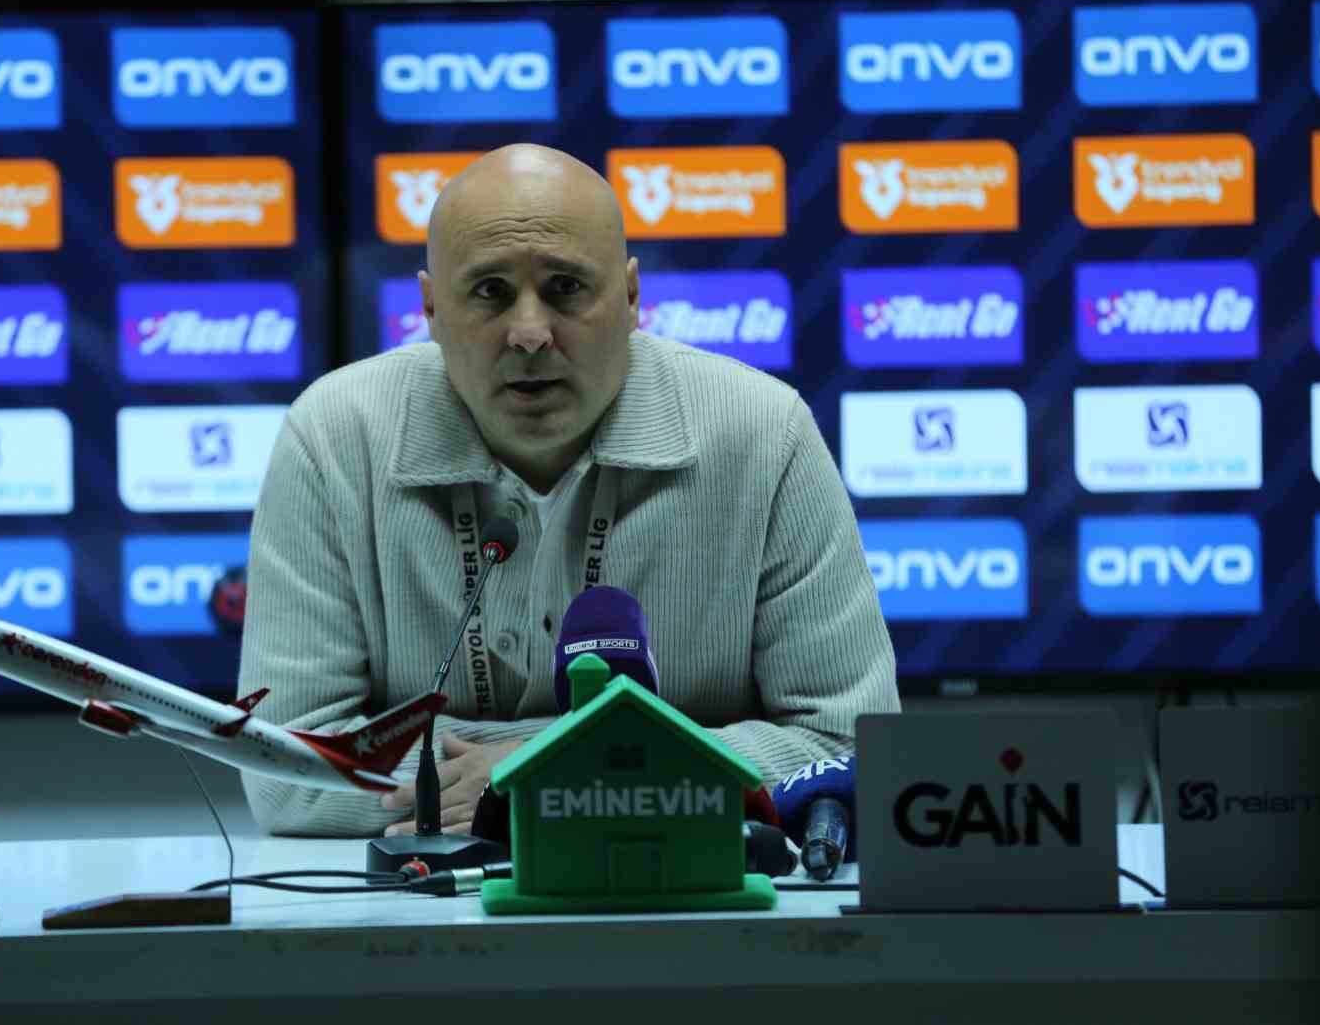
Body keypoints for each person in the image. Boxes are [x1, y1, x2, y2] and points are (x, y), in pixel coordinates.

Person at [238, 143, 899, 838]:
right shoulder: (334, 437)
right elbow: (285, 770)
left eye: (566, 288)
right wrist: (630, 762)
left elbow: (852, 746)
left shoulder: (764, 433)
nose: (529, 334)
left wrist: (569, 768)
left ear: (633, 298)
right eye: (490, 292)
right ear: (430, 309)